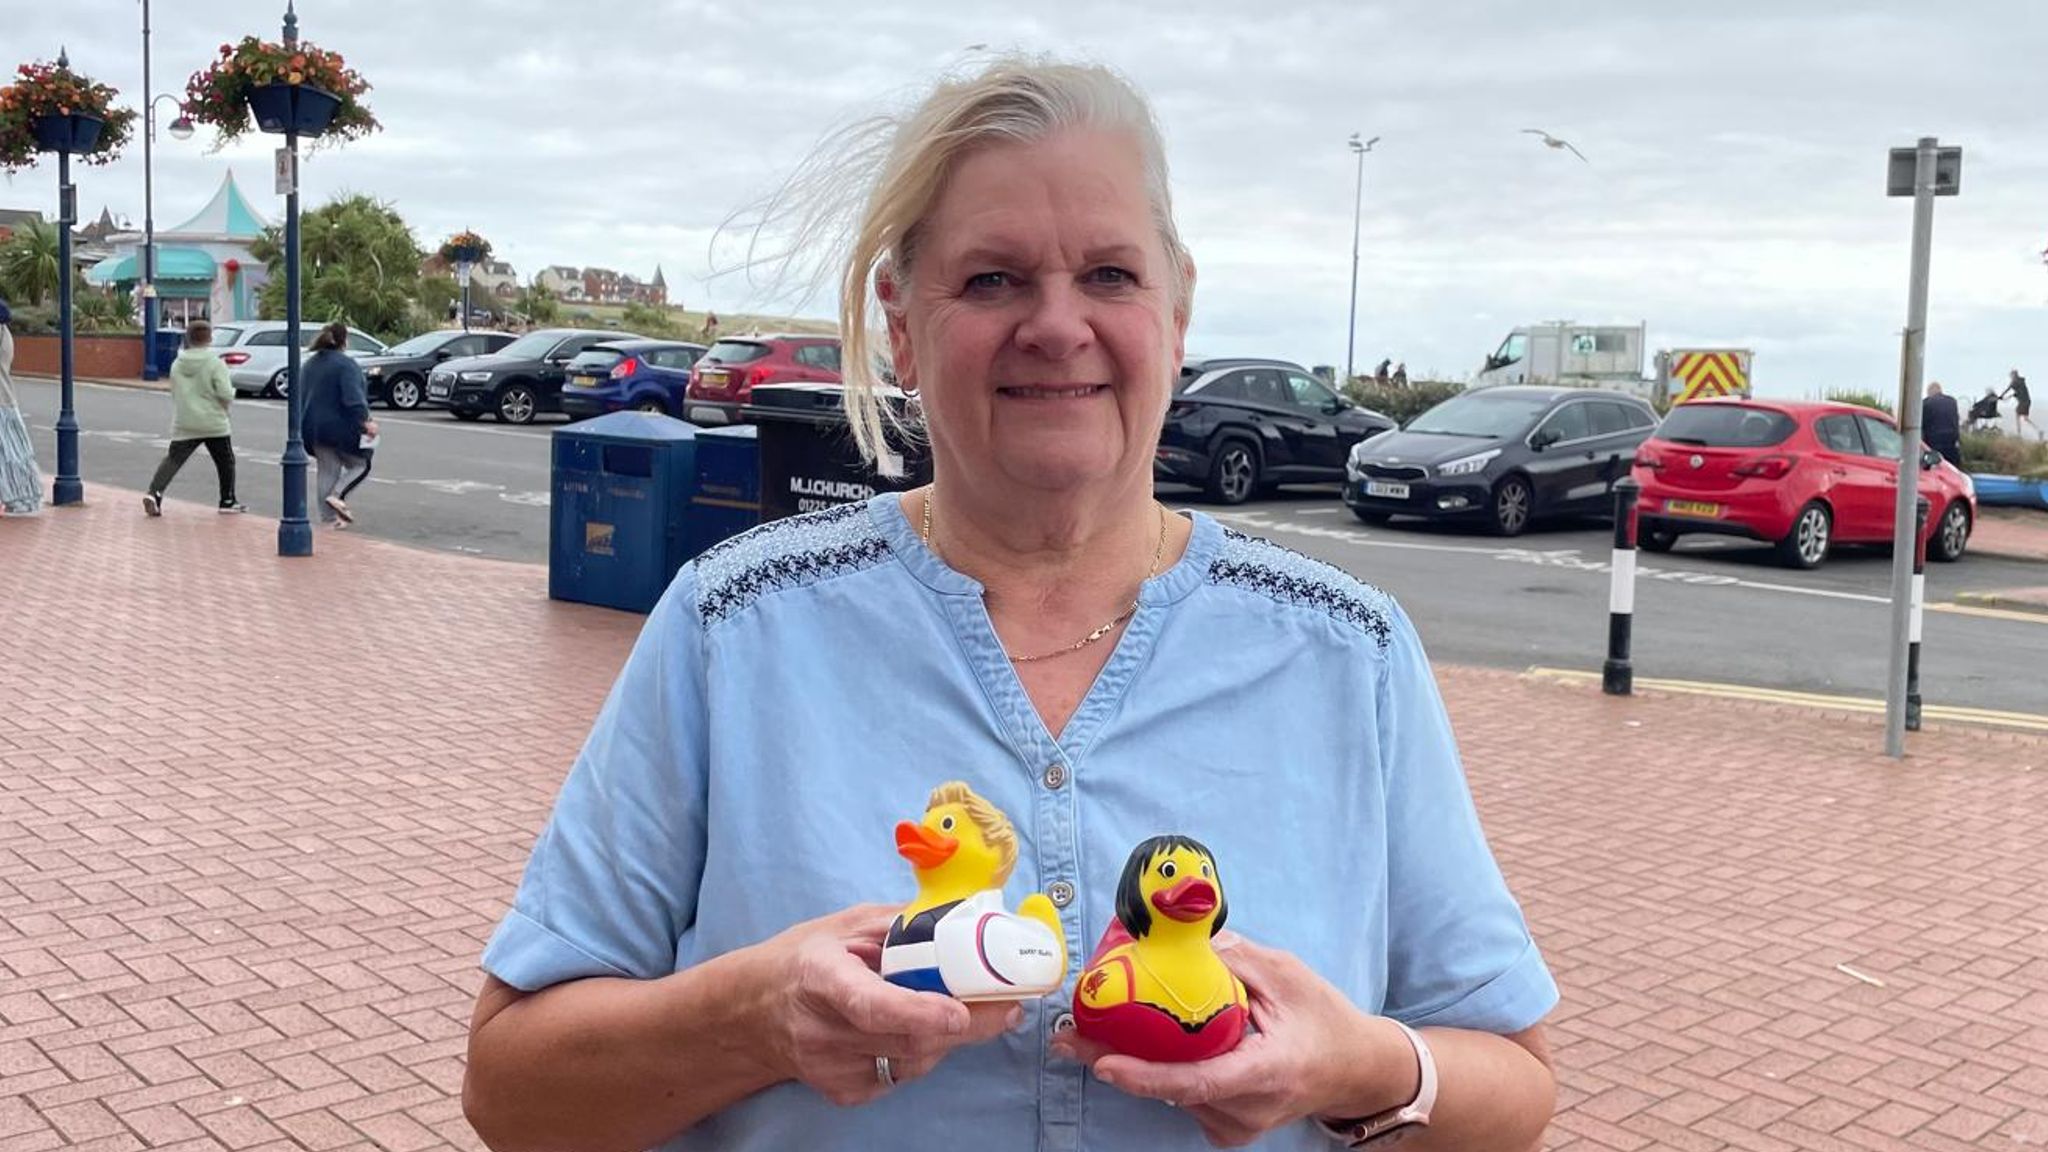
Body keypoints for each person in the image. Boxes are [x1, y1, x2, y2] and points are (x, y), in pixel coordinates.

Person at [464, 59, 1558, 1152]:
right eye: (991, 279)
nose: (1055, 325)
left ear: (1175, 311)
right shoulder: (734, 628)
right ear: (901, 320)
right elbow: (511, 1093)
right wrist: (752, 1020)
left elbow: (1512, 1090)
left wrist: (1360, 1066)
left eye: (1109, 275)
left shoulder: (1345, 654)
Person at [142, 320, 246, 516]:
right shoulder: (215, 363)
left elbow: (175, 391)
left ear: (188, 338)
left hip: (185, 420)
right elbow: (225, 393)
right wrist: (230, 394)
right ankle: (227, 500)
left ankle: (154, 493)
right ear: (209, 338)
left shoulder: (177, 364)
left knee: (173, 459)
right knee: (225, 461)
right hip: (214, 421)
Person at [300, 321, 375, 527]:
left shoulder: (309, 364)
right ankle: (337, 495)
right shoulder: (346, 365)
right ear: (344, 341)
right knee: (361, 464)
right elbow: (354, 399)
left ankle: (328, 520)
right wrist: (366, 422)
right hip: (341, 427)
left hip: (313, 427)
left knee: (327, 470)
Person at [0, 295, 44, 516]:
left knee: (11, 453)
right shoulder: (5, 334)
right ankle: (22, 498)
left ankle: (22, 499)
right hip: (5, 402)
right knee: (12, 452)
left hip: (2, 402)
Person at [1921, 381, 1962, 470]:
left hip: (1933, 444)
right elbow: (1956, 420)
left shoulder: (1926, 403)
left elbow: (1921, 425)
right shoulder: (1952, 401)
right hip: (1951, 444)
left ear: (1929, 392)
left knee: (1933, 470)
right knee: (1952, 470)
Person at [2003, 369, 2037, 439]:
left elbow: (2007, 389)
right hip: (2027, 401)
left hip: (2023, 402)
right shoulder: (2021, 382)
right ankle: (2037, 428)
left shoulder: (2014, 382)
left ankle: (2019, 433)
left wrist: (2001, 396)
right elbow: (2016, 393)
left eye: (2011, 375)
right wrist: (2006, 398)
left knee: (2017, 415)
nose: (2010, 377)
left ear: (2013, 375)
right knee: (2025, 418)